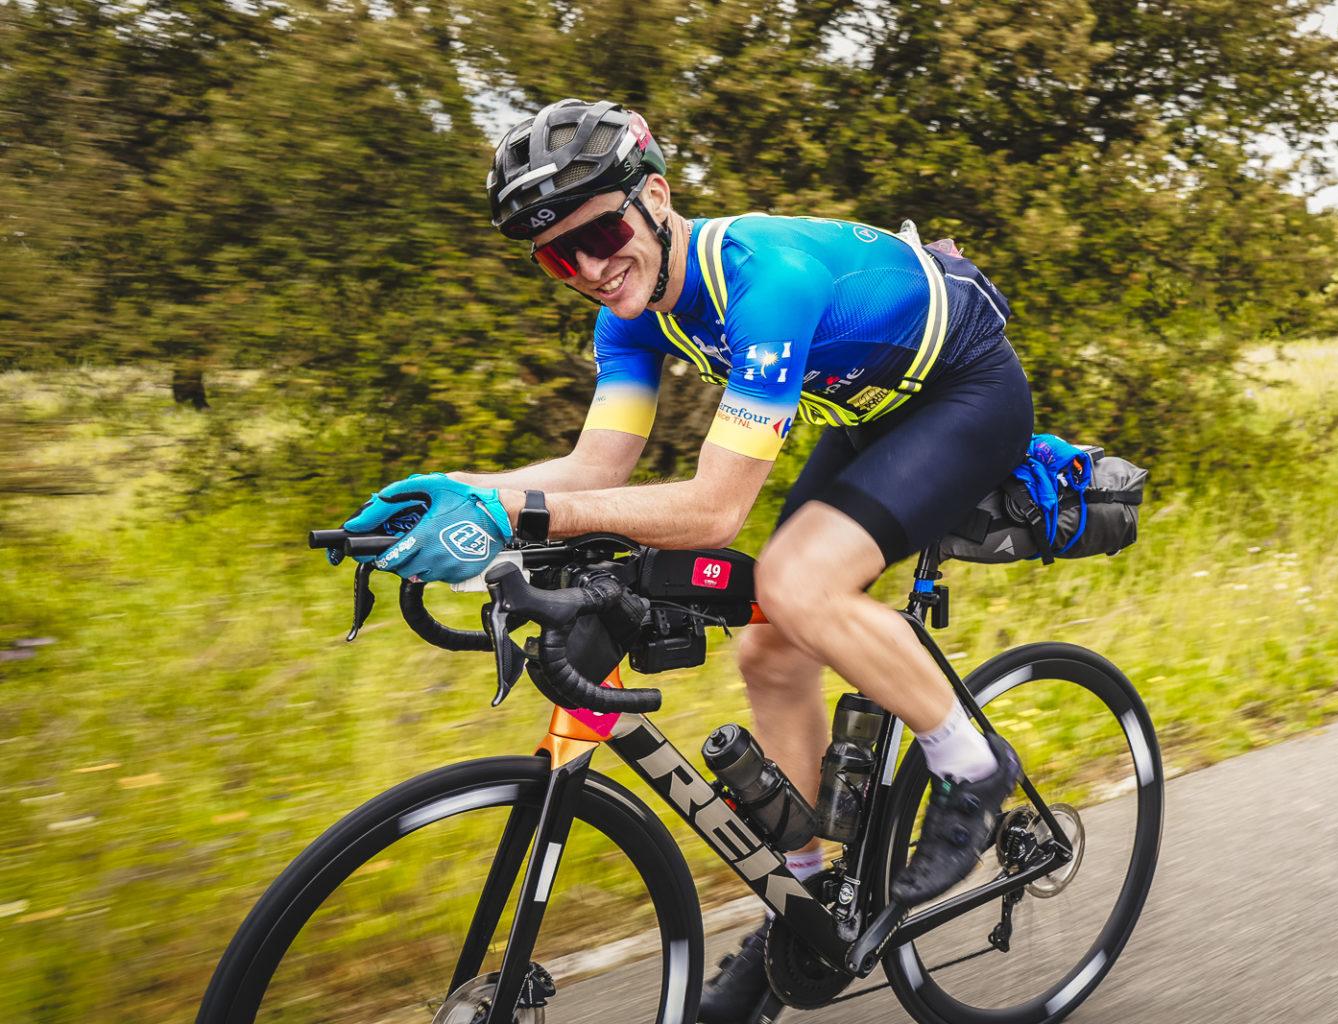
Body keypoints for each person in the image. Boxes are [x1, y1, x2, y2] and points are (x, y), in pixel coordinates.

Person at [341, 98, 1032, 1022]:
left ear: (657, 197)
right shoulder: (629, 316)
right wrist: (447, 490)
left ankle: (973, 765)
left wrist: (510, 512)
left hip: (965, 394)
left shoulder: (764, 280)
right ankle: (803, 908)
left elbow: (713, 512)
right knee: (770, 648)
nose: (590, 269)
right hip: (866, 411)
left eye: (600, 233)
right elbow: (596, 469)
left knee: (795, 584)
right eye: (558, 258)